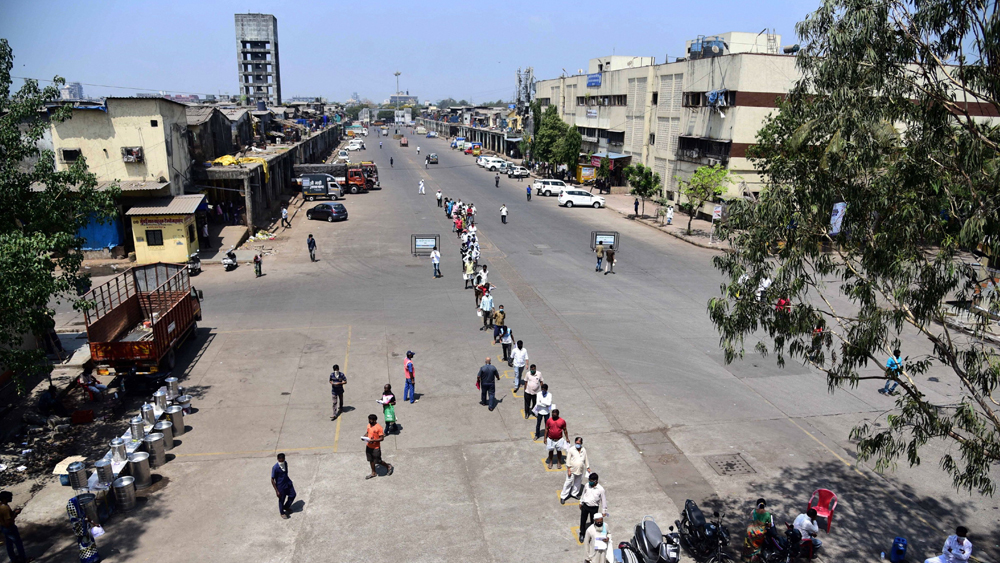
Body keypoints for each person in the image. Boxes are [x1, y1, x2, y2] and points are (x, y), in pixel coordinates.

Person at [67, 495, 101, 563]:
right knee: (85, 546)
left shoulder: (81, 511)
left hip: (87, 531)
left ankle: (95, 558)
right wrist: (84, 520)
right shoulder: (74, 517)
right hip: (82, 533)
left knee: (91, 544)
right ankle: (88, 560)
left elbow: (87, 518)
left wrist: (94, 524)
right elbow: (78, 525)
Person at [578, 472, 608, 542]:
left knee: (593, 522)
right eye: (589, 480)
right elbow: (583, 494)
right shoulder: (587, 485)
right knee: (583, 521)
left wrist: (604, 511)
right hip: (585, 506)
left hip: (594, 508)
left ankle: (592, 535)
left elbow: (603, 500)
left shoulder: (601, 489)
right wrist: (581, 502)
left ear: (596, 481)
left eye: (591, 481)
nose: (590, 482)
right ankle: (582, 534)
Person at [561, 436, 591, 504]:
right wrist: (569, 469)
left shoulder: (583, 450)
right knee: (568, 483)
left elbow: (586, 459)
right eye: (576, 443)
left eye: (579, 443)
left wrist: (588, 467)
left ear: (581, 443)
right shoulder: (571, 449)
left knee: (578, 482)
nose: (577, 444)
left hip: (580, 469)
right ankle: (563, 496)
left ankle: (574, 494)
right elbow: (568, 460)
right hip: (572, 469)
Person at [364, 414, 393, 479]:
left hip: (376, 448)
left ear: (375, 420)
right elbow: (368, 432)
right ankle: (373, 473)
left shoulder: (379, 428)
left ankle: (388, 466)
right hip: (368, 446)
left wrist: (374, 440)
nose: (369, 421)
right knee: (371, 460)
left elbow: (382, 438)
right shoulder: (368, 425)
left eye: (371, 420)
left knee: (378, 461)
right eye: (369, 420)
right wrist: (364, 436)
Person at [0, 490, 27, 563]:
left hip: (3, 527)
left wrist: (13, 512)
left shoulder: (2, 506)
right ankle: (23, 559)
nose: (11, 498)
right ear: (5, 499)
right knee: (18, 543)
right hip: (9, 528)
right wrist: (15, 513)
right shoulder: (5, 508)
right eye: (9, 497)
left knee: (9, 544)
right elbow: (8, 522)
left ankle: (13, 559)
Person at [271, 453, 296, 519]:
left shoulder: (285, 463)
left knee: (293, 494)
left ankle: (286, 506)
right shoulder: (275, 468)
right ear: (278, 459)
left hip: (288, 483)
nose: (282, 462)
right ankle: (282, 513)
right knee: (281, 500)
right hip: (281, 486)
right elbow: (272, 480)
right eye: (280, 460)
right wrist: (277, 491)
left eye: (283, 460)